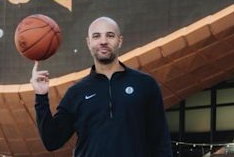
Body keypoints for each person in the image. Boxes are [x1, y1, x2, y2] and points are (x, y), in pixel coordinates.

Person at [30, 17, 173, 156]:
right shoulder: (76, 92)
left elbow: (161, 142)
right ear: (88, 42)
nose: (103, 41)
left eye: (110, 36)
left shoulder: (145, 84)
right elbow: (52, 141)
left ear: (120, 41)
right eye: (97, 36)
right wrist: (41, 96)